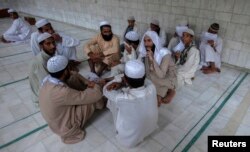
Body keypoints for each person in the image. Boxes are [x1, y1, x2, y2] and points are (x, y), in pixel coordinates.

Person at [39, 55, 103, 144]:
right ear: (65, 71)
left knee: (73, 78)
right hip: (66, 127)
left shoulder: (47, 80)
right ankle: (102, 103)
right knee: (94, 97)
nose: (72, 69)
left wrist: (86, 82)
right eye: (69, 67)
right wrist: (95, 85)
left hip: (56, 122)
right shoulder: (62, 92)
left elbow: (73, 74)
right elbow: (95, 94)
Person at [29, 33, 96, 106]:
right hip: (43, 95)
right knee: (72, 80)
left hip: (50, 85)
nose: (53, 46)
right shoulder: (40, 62)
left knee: (74, 75)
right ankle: (88, 93)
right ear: (41, 46)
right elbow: (48, 85)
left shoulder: (49, 55)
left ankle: (87, 89)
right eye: (48, 44)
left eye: (53, 42)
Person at [103, 60, 158, 148]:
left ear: (126, 79)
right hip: (150, 129)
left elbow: (105, 89)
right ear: (144, 77)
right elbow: (146, 81)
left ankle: (118, 130)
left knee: (111, 101)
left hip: (128, 140)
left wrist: (118, 80)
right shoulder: (152, 87)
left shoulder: (122, 98)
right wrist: (123, 81)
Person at [138, 31, 177, 106]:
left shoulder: (165, 54)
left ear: (155, 41)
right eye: (145, 41)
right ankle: (162, 91)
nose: (146, 44)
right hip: (154, 76)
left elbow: (162, 75)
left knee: (155, 103)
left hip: (167, 77)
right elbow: (147, 71)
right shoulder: (146, 52)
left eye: (149, 41)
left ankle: (171, 90)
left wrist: (152, 59)